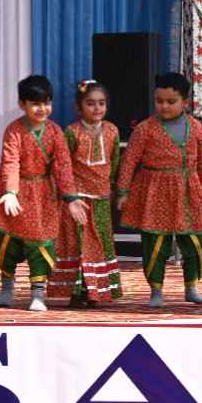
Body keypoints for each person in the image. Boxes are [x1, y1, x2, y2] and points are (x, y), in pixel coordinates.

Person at [0, 75, 88, 312]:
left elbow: (63, 166)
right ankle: (7, 285)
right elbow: (10, 161)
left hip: (43, 195)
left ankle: (38, 293)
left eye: (47, 103)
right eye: (35, 104)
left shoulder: (56, 132)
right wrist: (10, 192)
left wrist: (71, 197)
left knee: (41, 243)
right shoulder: (14, 130)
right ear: (22, 104)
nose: (42, 109)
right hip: (14, 193)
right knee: (7, 241)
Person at [117, 71, 202, 307]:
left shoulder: (196, 127)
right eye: (159, 101)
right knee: (155, 243)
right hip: (155, 192)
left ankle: (191, 287)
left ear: (185, 102)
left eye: (171, 101)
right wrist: (122, 192)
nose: (164, 106)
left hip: (188, 191)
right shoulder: (145, 129)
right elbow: (129, 160)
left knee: (196, 239)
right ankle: (156, 291)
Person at [49, 80, 124, 307]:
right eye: (90, 103)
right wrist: (67, 195)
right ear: (79, 107)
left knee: (99, 243)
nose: (97, 108)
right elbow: (63, 165)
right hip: (78, 199)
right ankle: (77, 292)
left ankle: (96, 292)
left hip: (101, 198)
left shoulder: (112, 131)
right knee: (78, 244)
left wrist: (115, 190)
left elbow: (115, 163)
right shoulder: (72, 132)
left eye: (101, 103)